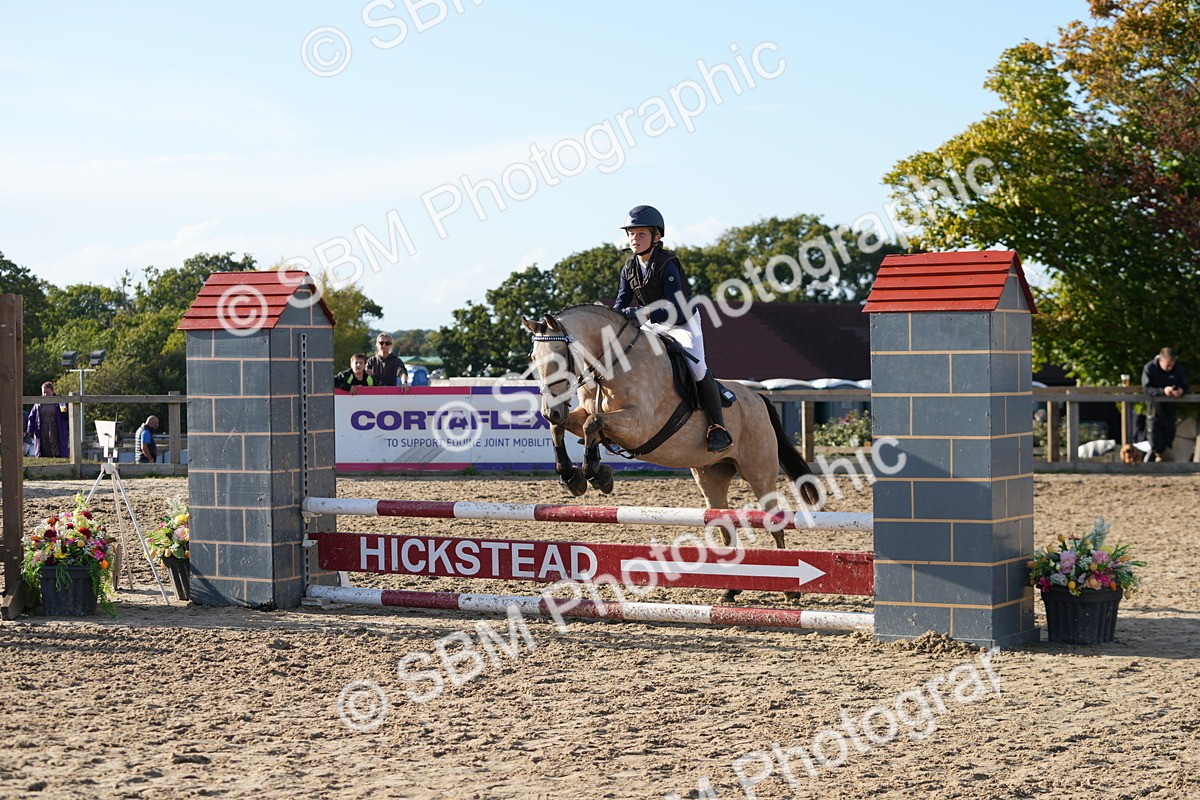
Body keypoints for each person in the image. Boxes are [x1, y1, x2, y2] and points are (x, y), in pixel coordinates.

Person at [612, 204, 732, 452]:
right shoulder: (629, 266)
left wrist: (642, 313)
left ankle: (717, 427)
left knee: (696, 367)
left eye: (641, 234)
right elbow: (621, 302)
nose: (634, 238)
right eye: (631, 234)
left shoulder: (667, 264)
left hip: (682, 322)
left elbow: (674, 307)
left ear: (656, 237)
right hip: (654, 325)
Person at [1141, 347, 1189, 461]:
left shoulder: (1178, 369)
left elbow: (1185, 385)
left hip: (1170, 411)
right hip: (1155, 410)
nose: (1170, 368)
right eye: (1167, 365)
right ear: (1160, 360)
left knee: (1168, 439)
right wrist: (1163, 391)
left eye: (1172, 365)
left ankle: (1159, 462)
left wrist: (1181, 391)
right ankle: (1167, 462)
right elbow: (1146, 388)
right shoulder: (1150, 368)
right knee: (1155, 441)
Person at [25, 381, 70, 458]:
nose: (45, 395)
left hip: (56, 427)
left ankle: (57, 457)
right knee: (44, 445)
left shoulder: (60, 402)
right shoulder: (38, 404)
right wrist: (30, 430)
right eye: (44, 393)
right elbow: (32, 417)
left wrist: (65, 410)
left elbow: (66, 416)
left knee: (56, 445)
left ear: (52, 391)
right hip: (42, 428)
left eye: (47, 392)